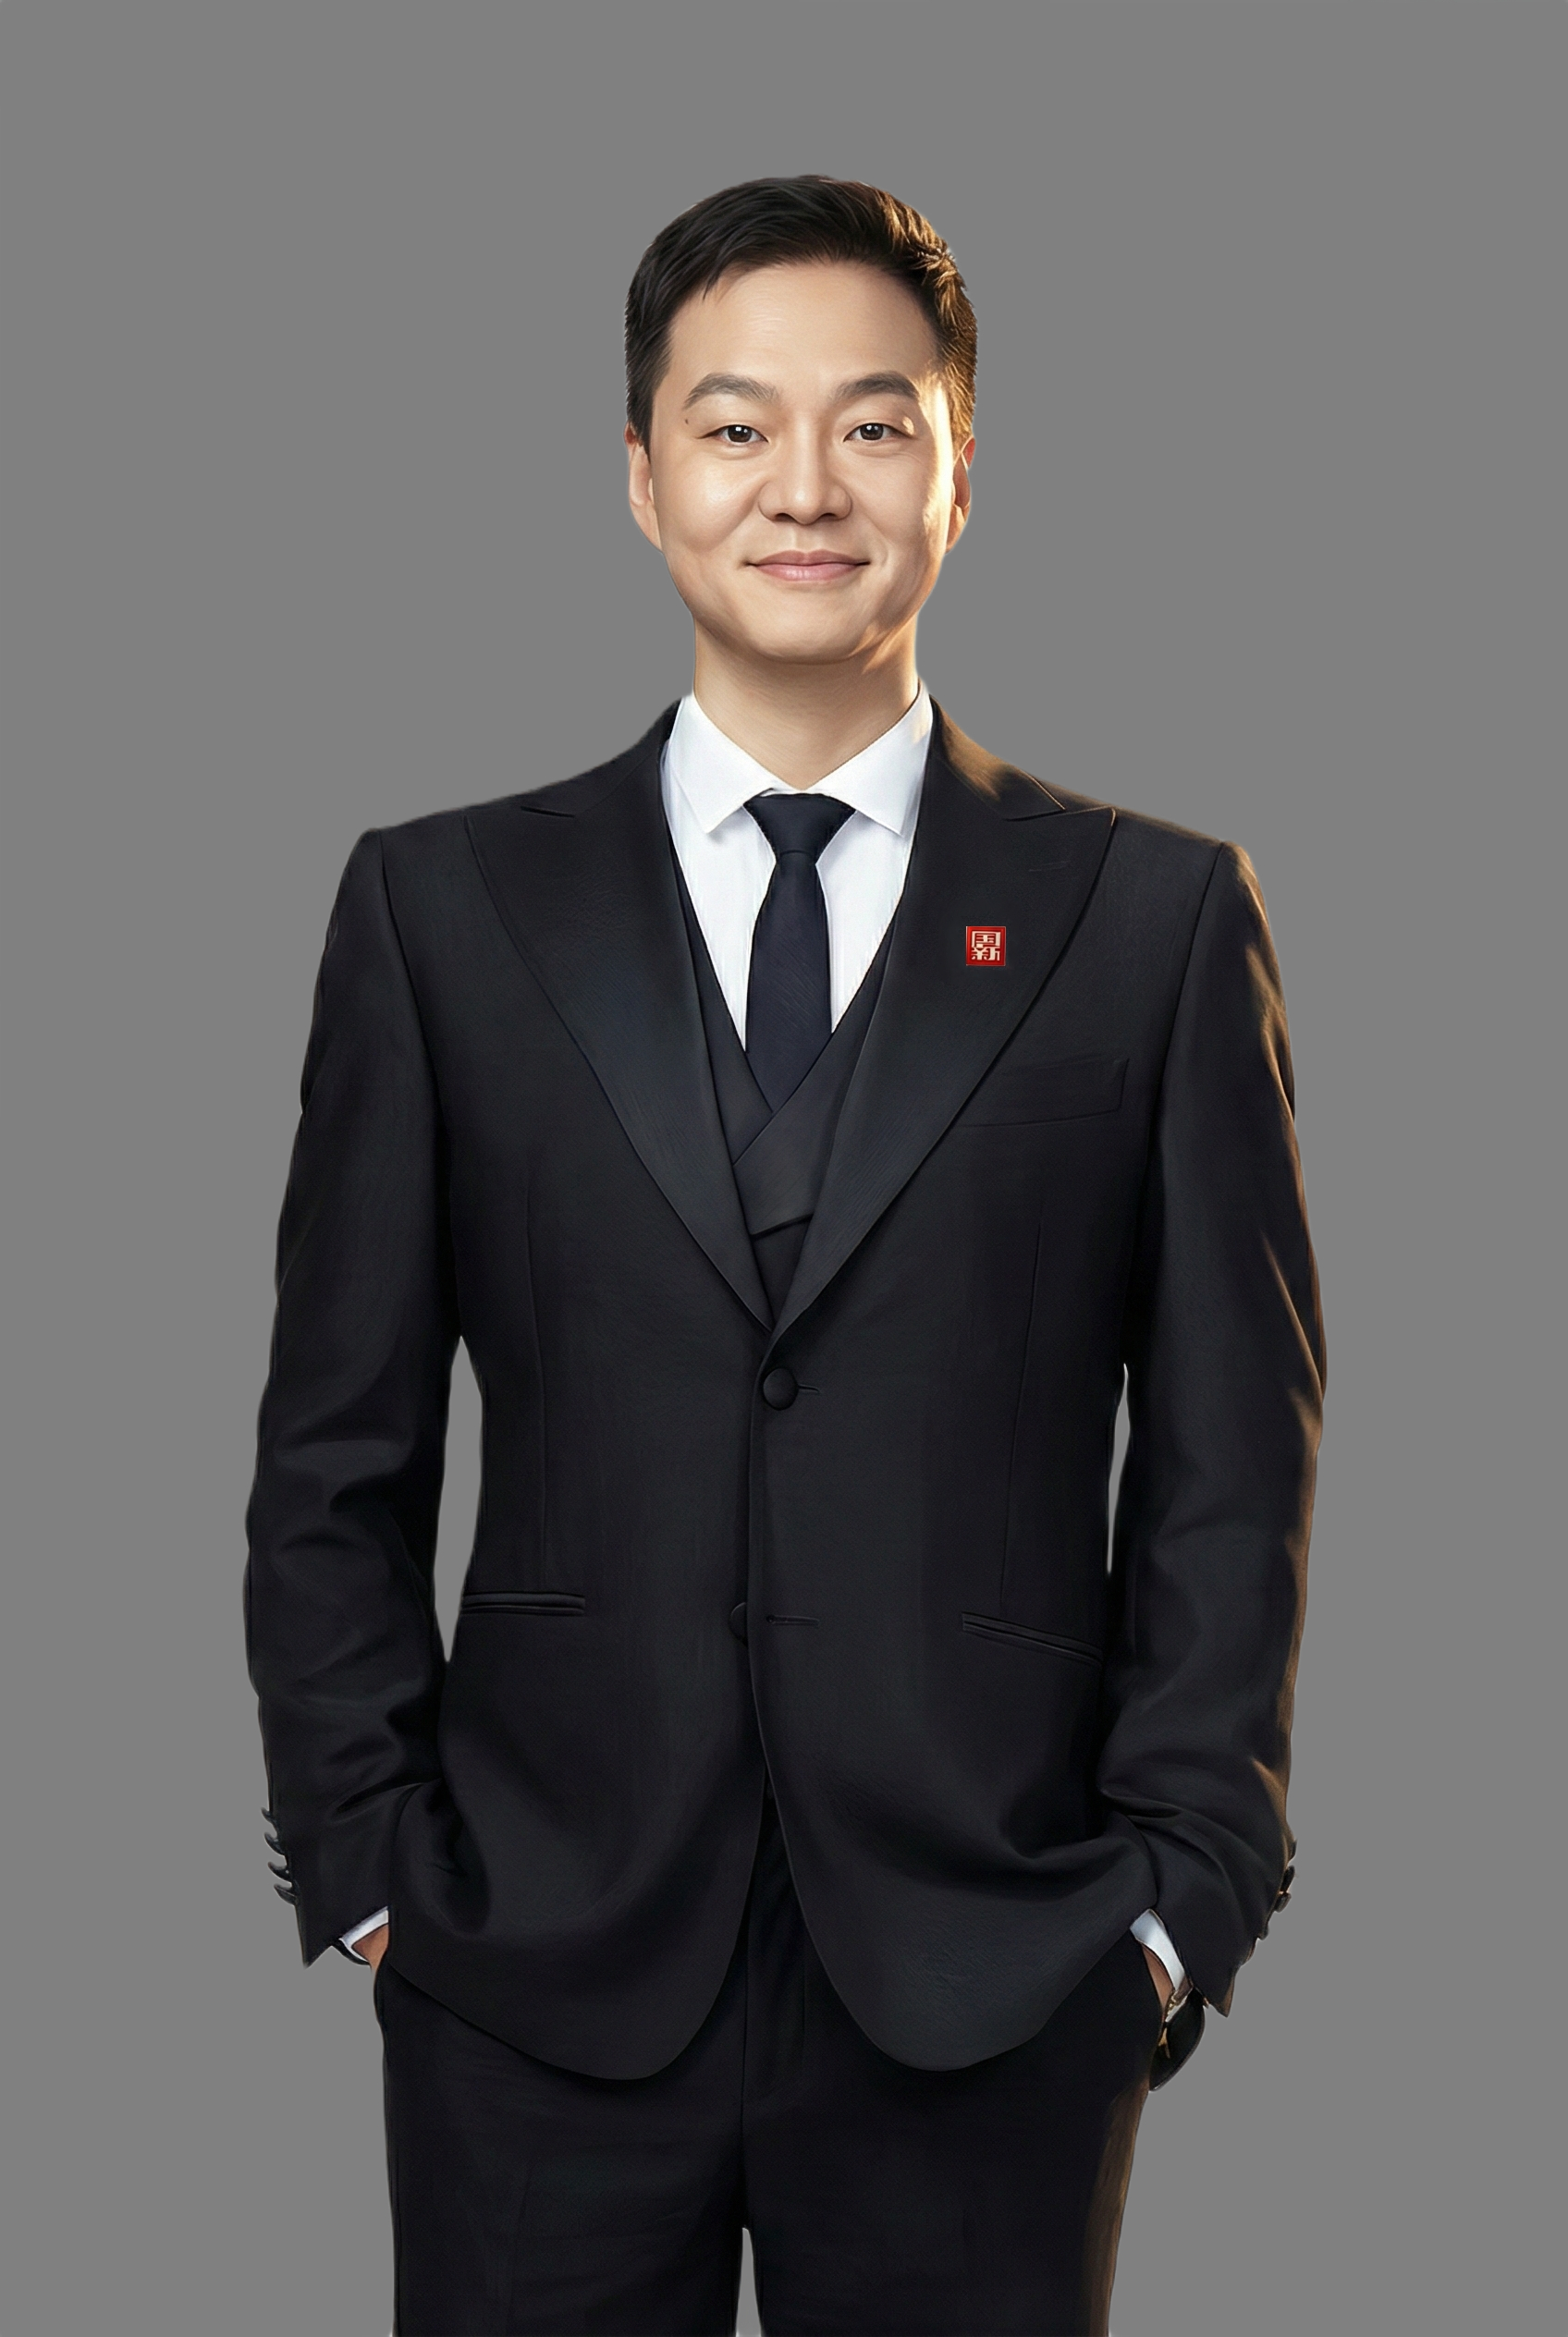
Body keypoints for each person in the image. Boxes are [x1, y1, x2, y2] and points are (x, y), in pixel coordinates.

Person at [244, 175, 1323, 2337]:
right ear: (642, 475)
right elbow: (333, 1442)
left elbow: (1234, 1450)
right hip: (526, 1956)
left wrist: (1173, 1896)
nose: (803, 487)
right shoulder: (441, 913)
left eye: (874, 423)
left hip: (997, 1964)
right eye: (734, 425)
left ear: (958, 467)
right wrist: (364, 1857)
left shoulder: (1150, 921)